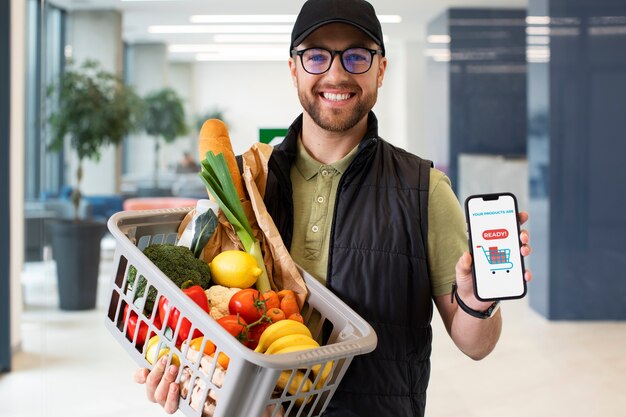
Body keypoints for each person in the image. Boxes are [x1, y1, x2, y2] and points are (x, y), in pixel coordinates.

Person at [134, 0, 533, 416]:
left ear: (381, 69)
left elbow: (477, 345)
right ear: (294, 70)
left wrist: (476, 301)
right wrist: (179, 373)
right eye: (317, 55)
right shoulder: (245, 184)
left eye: (357, 55)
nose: (336, 73)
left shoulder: (424, 190)